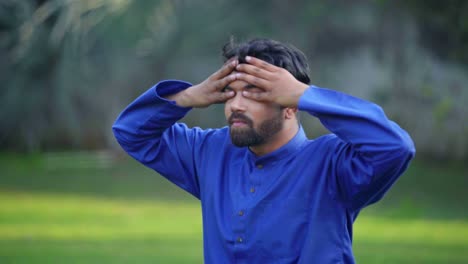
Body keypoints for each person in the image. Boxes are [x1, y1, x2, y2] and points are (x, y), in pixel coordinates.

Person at [112, 38, 415, 263]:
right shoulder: (211, 152)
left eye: (254, 94)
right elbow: (130, 132)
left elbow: (394, 147)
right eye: (230, 94)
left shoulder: (332, 165)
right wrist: (190, 95)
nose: (235, 106)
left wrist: (307, 95)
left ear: (291, 105)